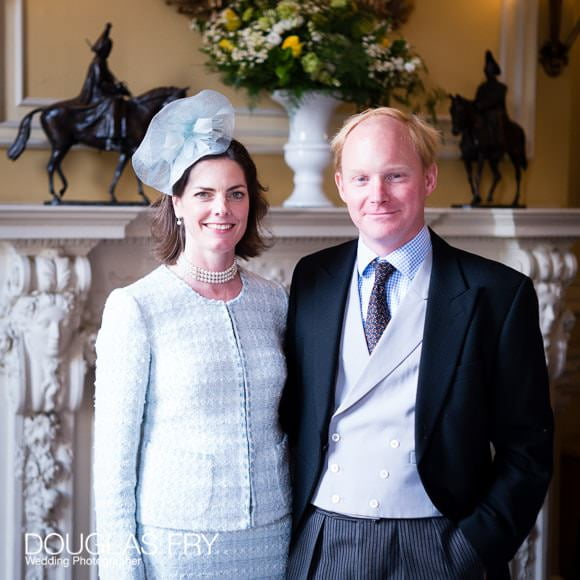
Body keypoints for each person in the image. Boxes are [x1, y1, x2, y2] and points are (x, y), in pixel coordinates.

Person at [281, 107, 553, 579]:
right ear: (342, 185)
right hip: (325, 540)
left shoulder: (498, 294)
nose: (377, 195)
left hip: (441, 544)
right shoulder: (312, 278)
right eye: (362, 178)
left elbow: (528, 448)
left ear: (428, 178)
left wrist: (473, 548)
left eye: (396, 175)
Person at [93, 89, 291, 579]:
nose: (221, 209)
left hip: (274, 540)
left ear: (250, 204)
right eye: (204, 193)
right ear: (177, 202)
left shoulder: (276, 301)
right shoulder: (136, 308)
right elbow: (114, 463)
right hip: (178, 547)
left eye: (235, 193)